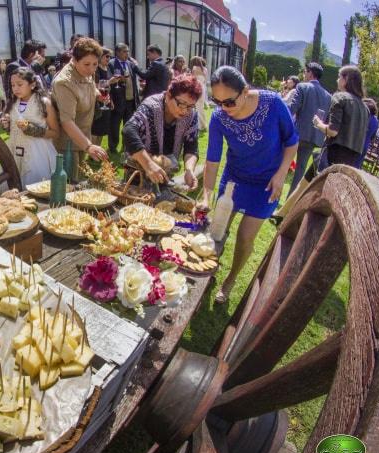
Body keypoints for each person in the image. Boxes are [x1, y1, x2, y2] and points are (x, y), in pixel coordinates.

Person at [202, 66, 298, 303]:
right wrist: (206, 195)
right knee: (217, 229)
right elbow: (213, 159)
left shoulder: (273, 104)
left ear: (245, 91)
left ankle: (230, 279)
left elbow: (292, 141)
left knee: (245, 237)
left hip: (266, 183)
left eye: (229, 102)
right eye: (217, 101)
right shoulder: (219, 117)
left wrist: (281, 173)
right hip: (235, 178)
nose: (224, 108)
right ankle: (208, 268)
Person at [122, 74, 201, 189]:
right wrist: (149, 164)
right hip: (137, 172)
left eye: (190, 106)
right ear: (169, 95)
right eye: (182, 104)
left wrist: (189, 170)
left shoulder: (191, 115)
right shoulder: (151, 105)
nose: (185, 111)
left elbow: (191, 145)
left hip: (165, 174)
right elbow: (128, 130)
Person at [51, 37, 109, 177]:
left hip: (83, 138)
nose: (91, 69)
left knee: (79, 186)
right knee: (68, 188)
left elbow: (87, 87)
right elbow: (67, 121)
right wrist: (88, 146)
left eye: (95, 64)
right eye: (87, 64)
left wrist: (97, 94)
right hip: (68, 145)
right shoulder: (64, 83)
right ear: (75, 60)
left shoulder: (85, 70)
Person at [0, 67, 59, 186]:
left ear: (32, 85)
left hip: (37, 154)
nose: (15, 88)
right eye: (13, 85)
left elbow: (56, 132)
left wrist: (33, 130)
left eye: (20, 84)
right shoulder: (11, 103)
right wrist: (6, 124)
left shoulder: (43, 103)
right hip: (14, 151)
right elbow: (12, 127)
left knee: (35, 186)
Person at [286, 62, 332, 195]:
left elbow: (292, 109)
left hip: (297, 134)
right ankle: (288, 204)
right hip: (314, 137)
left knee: (283, 164)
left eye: (305, 71)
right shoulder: (328, 96)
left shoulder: (302, 87)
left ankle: (272, 197)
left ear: (310, 73)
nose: (303, 74)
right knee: (300, 170)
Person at [312, 65, 369, 167]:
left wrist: (318, 123)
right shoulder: (365, 108)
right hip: (350, 161)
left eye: (339, 77)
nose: (337, 80)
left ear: (346, 79)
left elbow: (332, 131)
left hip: (333, 155)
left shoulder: (340, 97)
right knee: (307, 179)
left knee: (317, 181)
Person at [108, 43, 142, 154]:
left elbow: (139, 75)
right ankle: (113, 147)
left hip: (130, 101)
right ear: (117, 52)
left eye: (128, 51)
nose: (127, 53)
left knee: (128, 126)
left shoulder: (130, 64)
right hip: (118, 100)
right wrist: (119, 80)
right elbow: (108, 81)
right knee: (115, 125)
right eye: (124, 51)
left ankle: (126, 147)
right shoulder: (111, 64)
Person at [91, 48, 116, 146]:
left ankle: (99, 149)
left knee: (103, 128)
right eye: (107, 56)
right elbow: (96, 86)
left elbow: (108, 88)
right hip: (98, 102)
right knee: (96, 128)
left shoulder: (108, 68)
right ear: (100, 57)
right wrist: (110, 81)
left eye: (110, 56)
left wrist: (111, 101)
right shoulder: (96, 69)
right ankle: (92, 152)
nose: (109, 59)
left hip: (106, 101)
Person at [357, 98, 379, 169]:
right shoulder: (376, 121)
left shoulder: (365, 117)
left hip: (356, 145)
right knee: (357, 167)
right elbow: (373, 137)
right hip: (365, 146)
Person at [188, 56, 209, 130]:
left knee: (198, 106)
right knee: (201, 106)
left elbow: (192, 78)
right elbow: (205, 80)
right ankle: (203, 124)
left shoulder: (194, 68)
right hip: (203, 87)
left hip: (197, 87)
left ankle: (200, 125)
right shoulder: (205, 69)